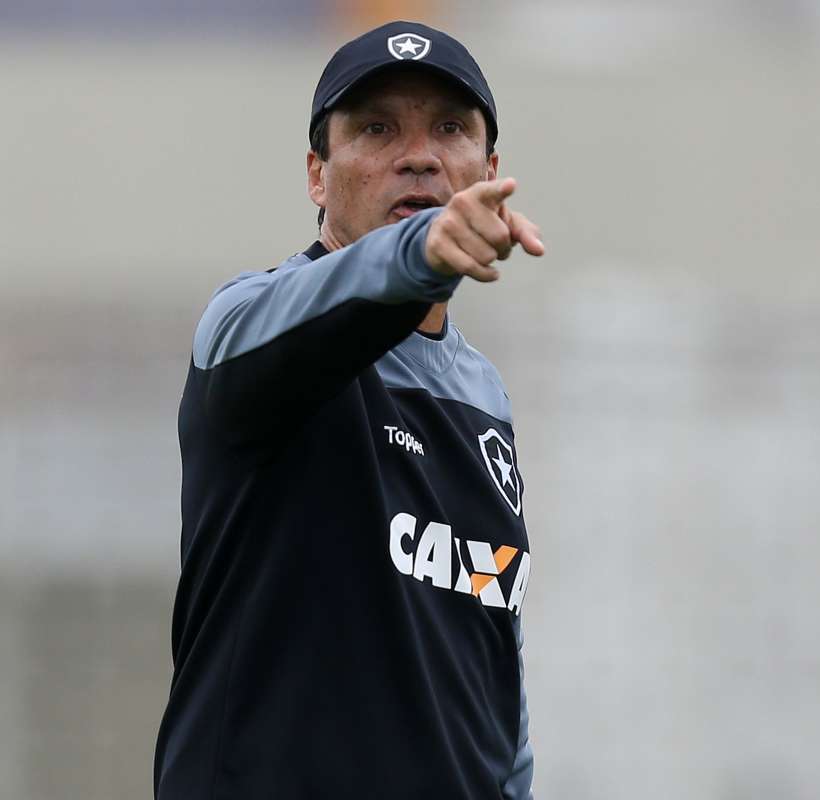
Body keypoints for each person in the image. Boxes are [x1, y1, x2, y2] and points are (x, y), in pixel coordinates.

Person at [153, 20, 543, 799]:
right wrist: (420, 254)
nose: (420, 154)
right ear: (316, 175)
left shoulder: (482, 394)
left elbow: (491, 680)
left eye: (450, 129)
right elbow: (337, 306)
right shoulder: (247, 327)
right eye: (375, 127)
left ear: (489, 169)